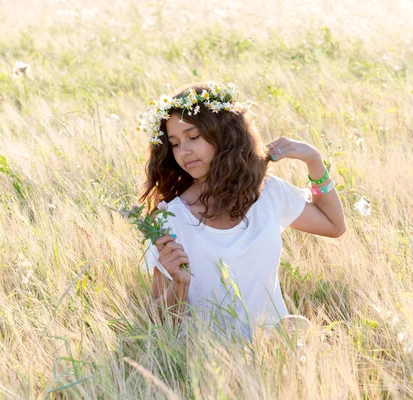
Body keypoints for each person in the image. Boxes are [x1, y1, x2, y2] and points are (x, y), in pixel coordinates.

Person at [137, 81, 346, 342]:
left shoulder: (268, 194)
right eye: (175, 144)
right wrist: (179, 284)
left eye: (193, 137)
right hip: (207, 361)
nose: (184, 152)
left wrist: (314, 161)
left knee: (302, 327)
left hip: (275, 349)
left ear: (223, 135)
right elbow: (159, 324)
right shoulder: (171, 217)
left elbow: (334, 226)